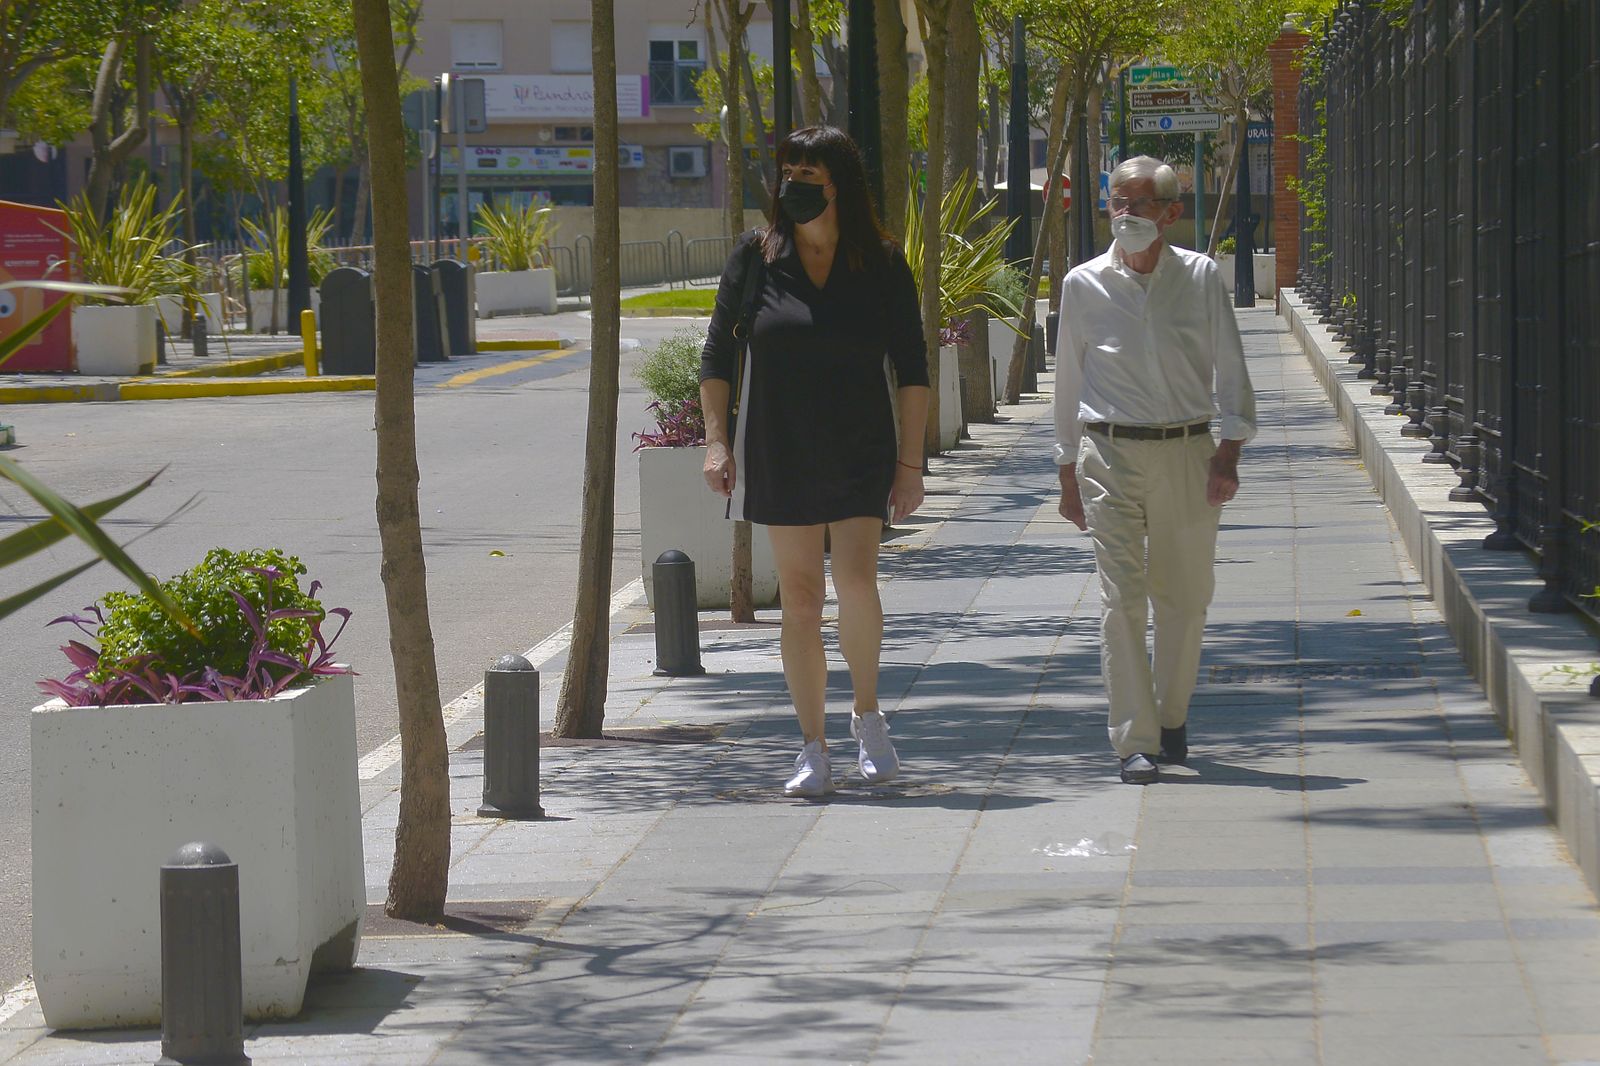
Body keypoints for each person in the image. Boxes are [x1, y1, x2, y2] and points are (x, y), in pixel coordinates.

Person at [700, 125, 930, 798]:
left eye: (809, 174)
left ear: (840, 186)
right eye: (788, 173)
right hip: (782, 446)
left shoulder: (880, 262)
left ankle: (868, 716)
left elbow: (913, 368)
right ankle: (812, 747)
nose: (793, 184)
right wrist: (716, 440)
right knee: (799, 600)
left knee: (856, 583)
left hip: (861, 445)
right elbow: (718, 356)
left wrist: (910, 466)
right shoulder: (756, 258)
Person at [1054, 155, 1257, 785]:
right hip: (1108, 453)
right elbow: (1067, 381)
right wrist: (1066, 469)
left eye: (1141, 202)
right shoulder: (1082, 284)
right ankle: (1134, 740)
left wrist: (1229, 451)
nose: (1127, 213)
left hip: (1187, 451)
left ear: (1171, 212)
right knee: (1121, 599)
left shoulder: (1199, 277)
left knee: (1185, 598)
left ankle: (1171, 718)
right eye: (1118, 201)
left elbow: (1231, 366)